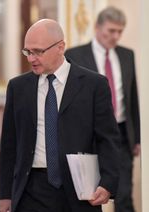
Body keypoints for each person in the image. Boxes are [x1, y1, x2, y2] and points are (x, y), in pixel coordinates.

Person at [0, 19, 120, 212]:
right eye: (28, 52)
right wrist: (5, 195)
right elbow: (9, 146)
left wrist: (107, 183)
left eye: (38, 51)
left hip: (79, 190)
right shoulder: (18, 87)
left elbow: (109, 139)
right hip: (30, 189)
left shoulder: (93, 85)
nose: (31, 58)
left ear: (60, 47)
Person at [65, 7, 140, 212]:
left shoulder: (127, 55)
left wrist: (138, 138)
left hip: (122, 136)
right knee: (86, 196)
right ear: (98, 28)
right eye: (111, 30)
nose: (116, 36)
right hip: (89, 136)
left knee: (124, 195)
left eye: (120, 31)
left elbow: (132, 97)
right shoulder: (75, 55)